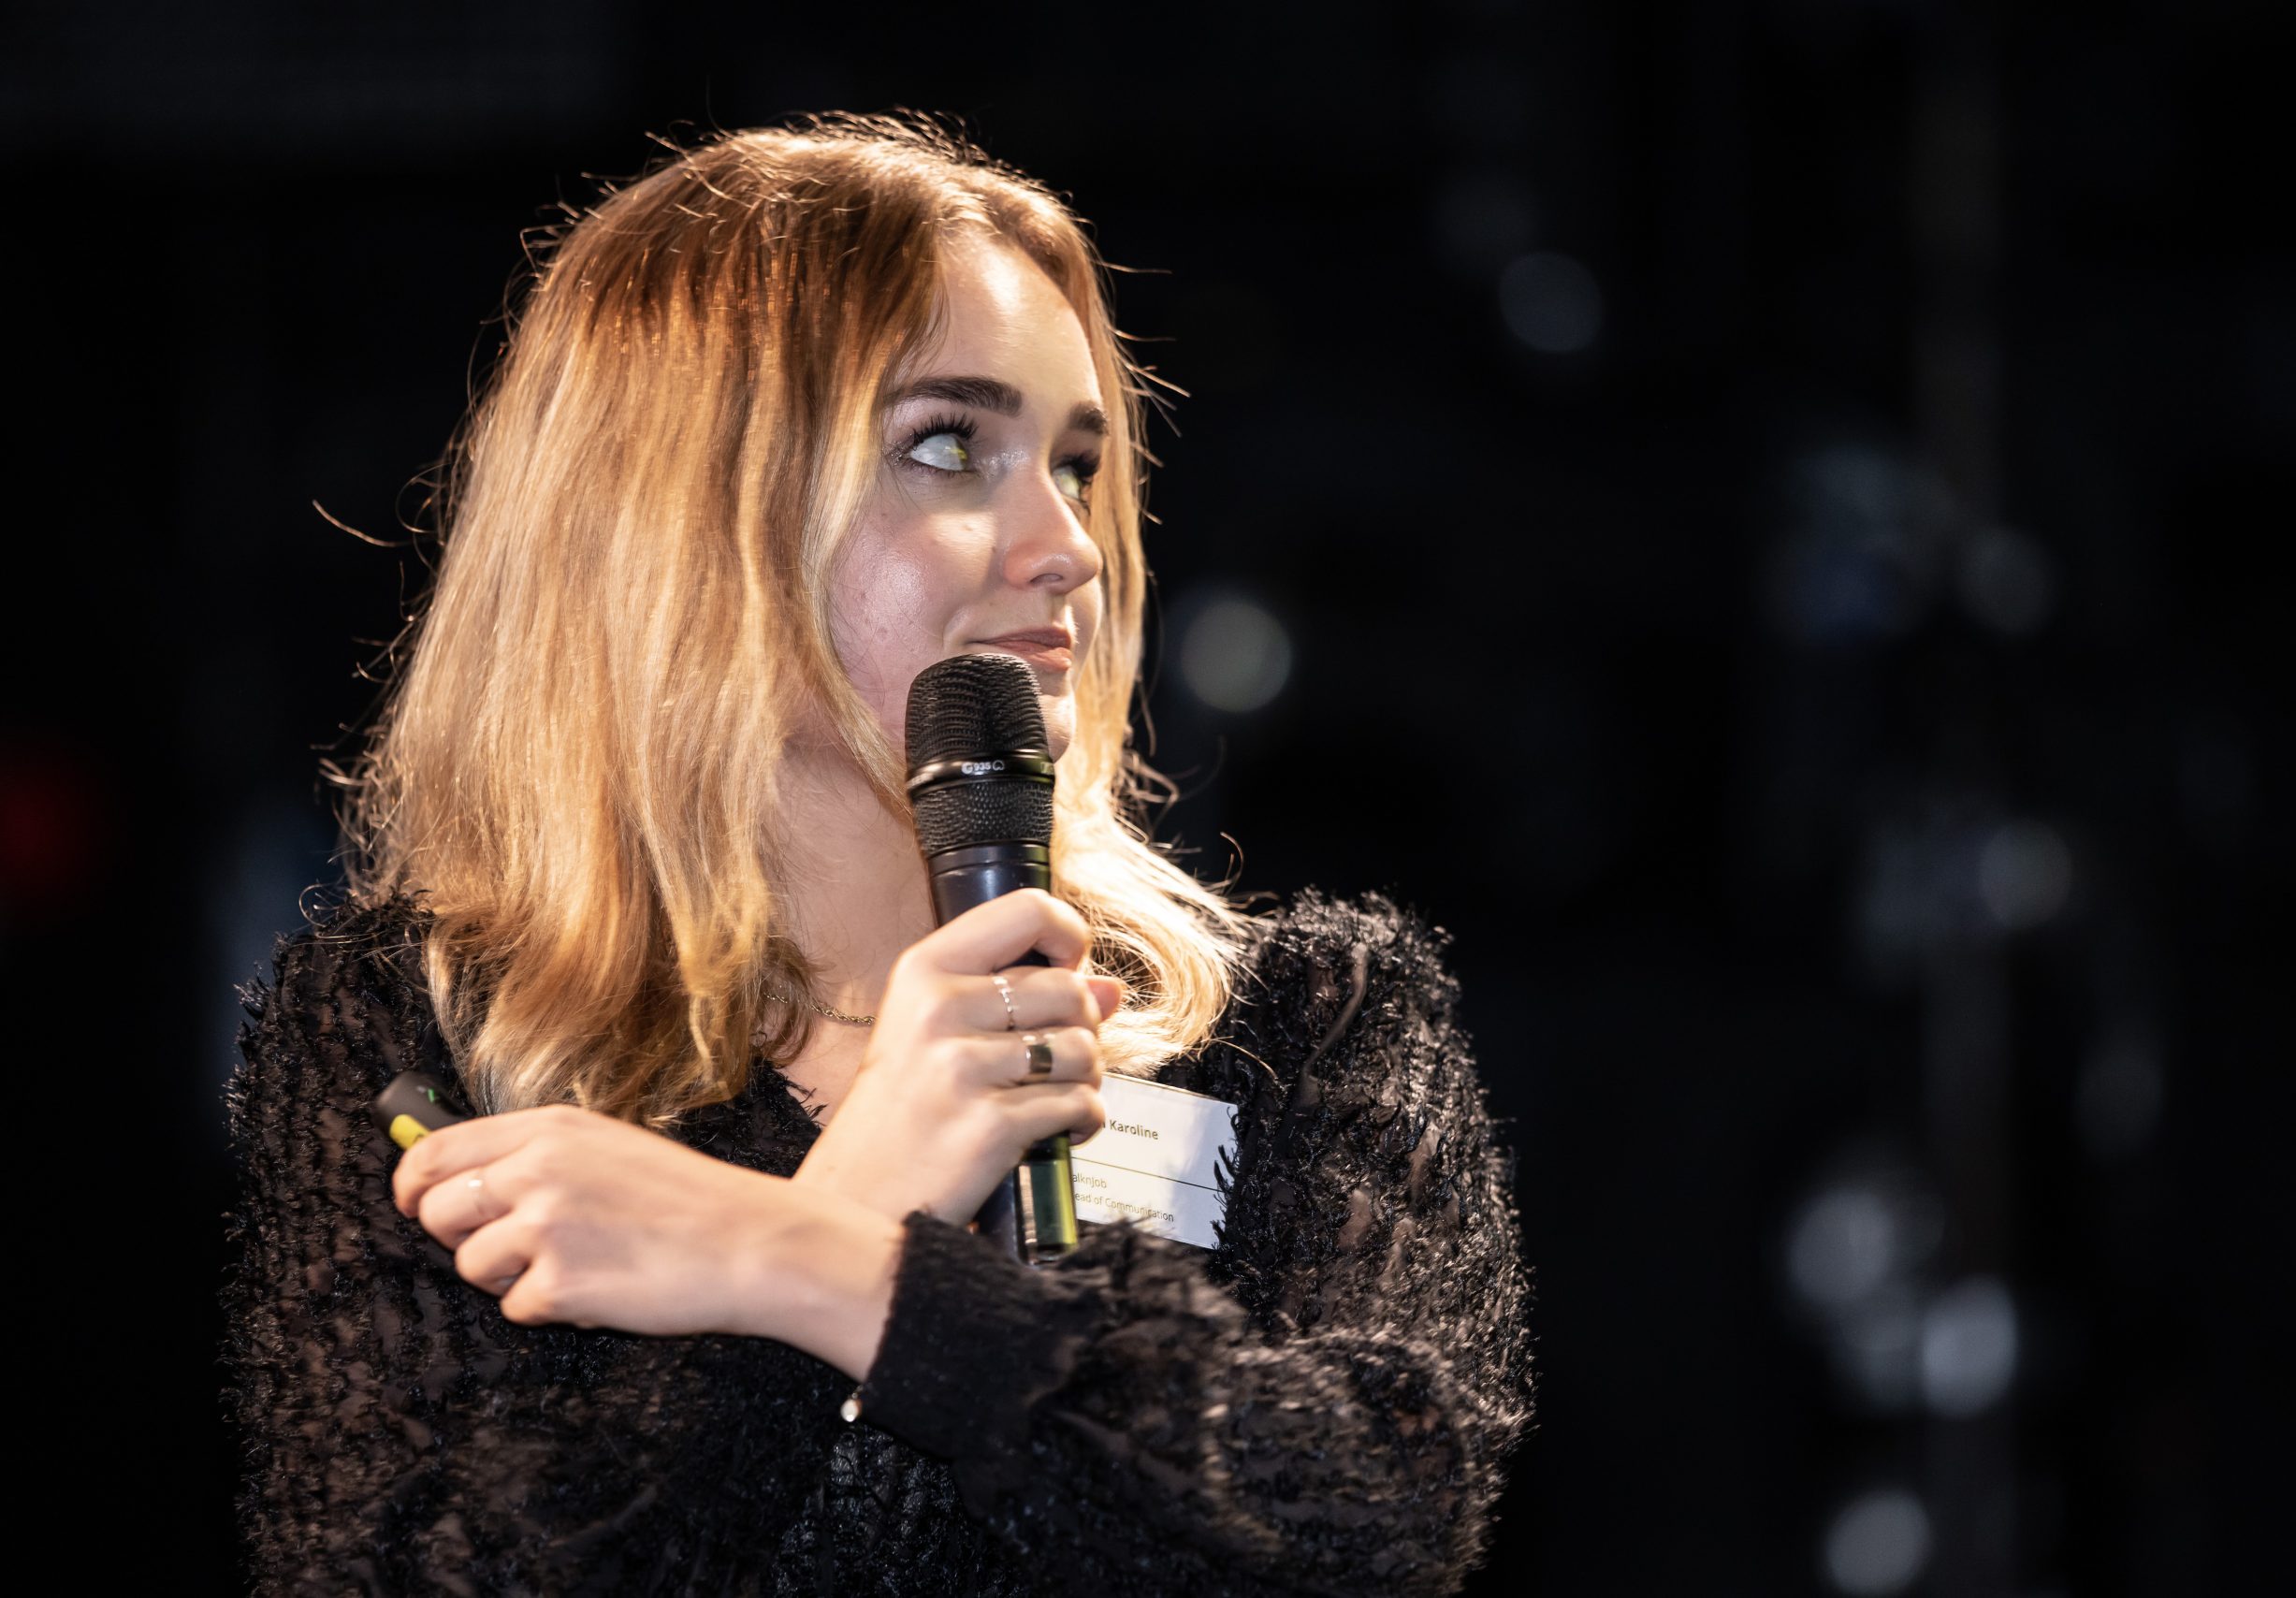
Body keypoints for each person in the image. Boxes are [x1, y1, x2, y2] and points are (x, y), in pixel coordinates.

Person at [224, 114, 1535, 1596]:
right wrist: (858, 1191)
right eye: (950, 446)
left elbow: (1369, 1534)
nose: (1068, 543)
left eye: (1077, 462)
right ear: (682, 512)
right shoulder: (421, 1040)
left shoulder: (1304, 1022)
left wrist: (812, 1259)